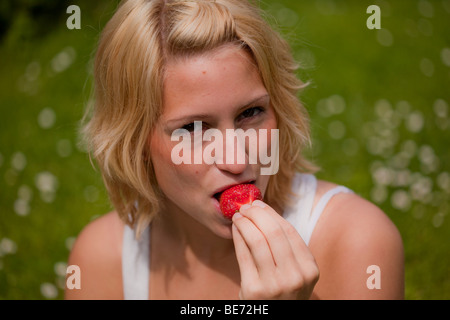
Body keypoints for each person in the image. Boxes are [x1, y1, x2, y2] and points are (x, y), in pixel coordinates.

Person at [66, 0, 404, 300]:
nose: (237, 160)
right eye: (194, 129)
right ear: (135, 142)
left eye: (251, 113)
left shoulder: (358, 243)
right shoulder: (101, 261)